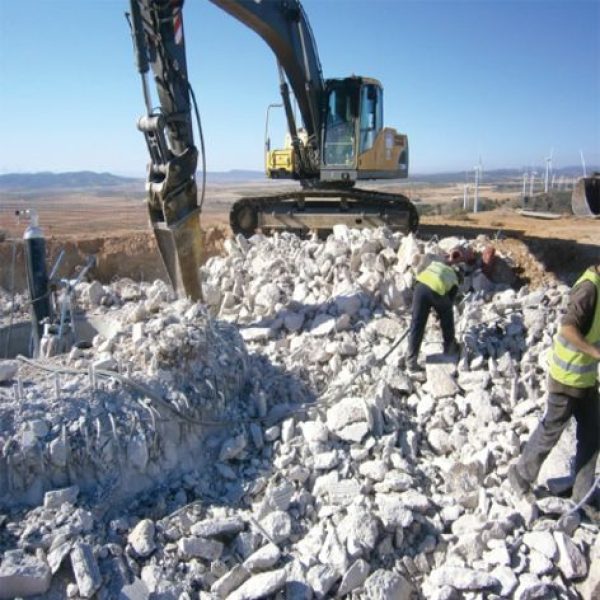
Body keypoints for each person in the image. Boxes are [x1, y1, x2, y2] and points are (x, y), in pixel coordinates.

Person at [508, 263, 600, 512]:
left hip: (586, 380)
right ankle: (520, 475)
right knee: (552, 428)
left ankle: (583, 496)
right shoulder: (589, 289)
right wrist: (595, 352)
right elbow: (568, 328)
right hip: (567, 377)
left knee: (592, 434)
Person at [406, 251, 462, 376]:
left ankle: (411, 361)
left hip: (419, 288)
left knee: (417, 324)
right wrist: (438, 315)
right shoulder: (454, 279)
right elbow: (448, 303)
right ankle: (449, 346)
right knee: (448, 315)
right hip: (436, 290)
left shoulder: (437, 265)